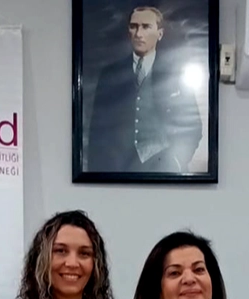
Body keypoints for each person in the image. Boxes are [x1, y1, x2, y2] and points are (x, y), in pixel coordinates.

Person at [86, 5, 203, 174]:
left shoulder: (174, 74)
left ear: (160, 34)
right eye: (134, 27)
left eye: (146, 27)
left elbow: (193, 128)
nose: (139, 34)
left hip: (163, 169)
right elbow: (97, 130)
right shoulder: (110, 74)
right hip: (117, 172)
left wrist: (176, 161)